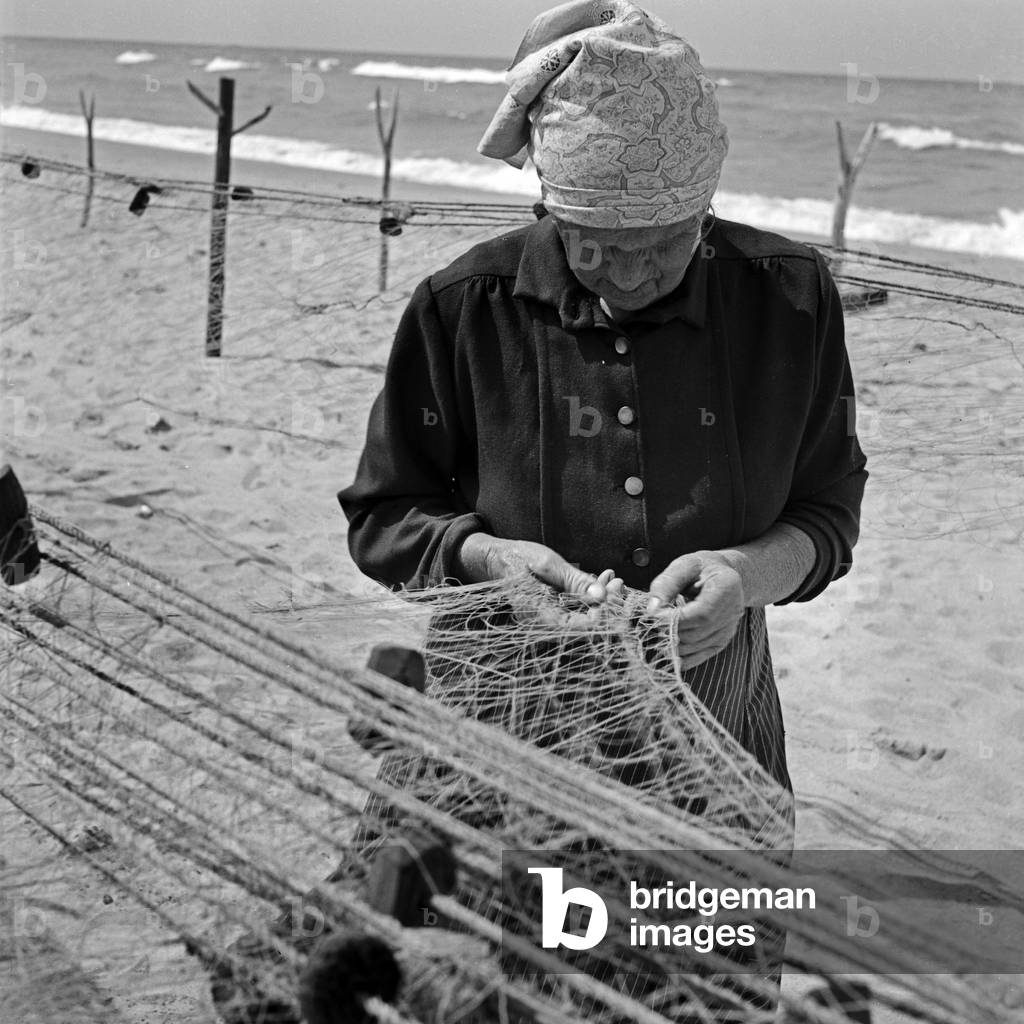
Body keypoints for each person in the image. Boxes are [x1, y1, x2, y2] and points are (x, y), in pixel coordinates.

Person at [338, 0, 868, 1013]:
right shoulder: (464, 306)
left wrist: (747, 574)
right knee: (496, 968)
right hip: (501, 711)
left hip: (710, 707)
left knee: (696, 971)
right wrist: (491, 562)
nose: (627, 274)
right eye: (593, 246)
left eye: (662, 247)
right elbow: (383, 515)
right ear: (548, 200)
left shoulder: (789, 298)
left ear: (704, 207)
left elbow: (828, 508)